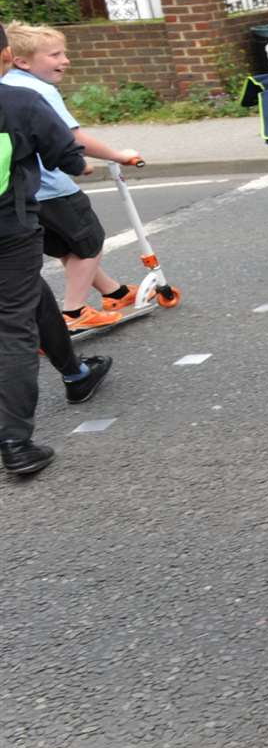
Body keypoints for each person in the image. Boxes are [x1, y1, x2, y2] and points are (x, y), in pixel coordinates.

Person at [0, 23, 113, 476]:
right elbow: (67, 157)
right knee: (13, 327)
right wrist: (79, 164)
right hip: (10, 227)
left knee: (27, 293)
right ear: (7, 54)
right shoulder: (20, 101)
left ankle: (76, 373)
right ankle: (15, 441)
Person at [0, 24, 142, 331]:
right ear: (21, 60)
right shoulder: (39, 92)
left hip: (22, 191)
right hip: (53, 185)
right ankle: (75, 311)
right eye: (55, 55)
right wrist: (117, 155)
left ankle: (113, 292)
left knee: (69, 246)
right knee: (89, 242)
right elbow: (71, 137)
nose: (65, 60)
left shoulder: (7, 85)